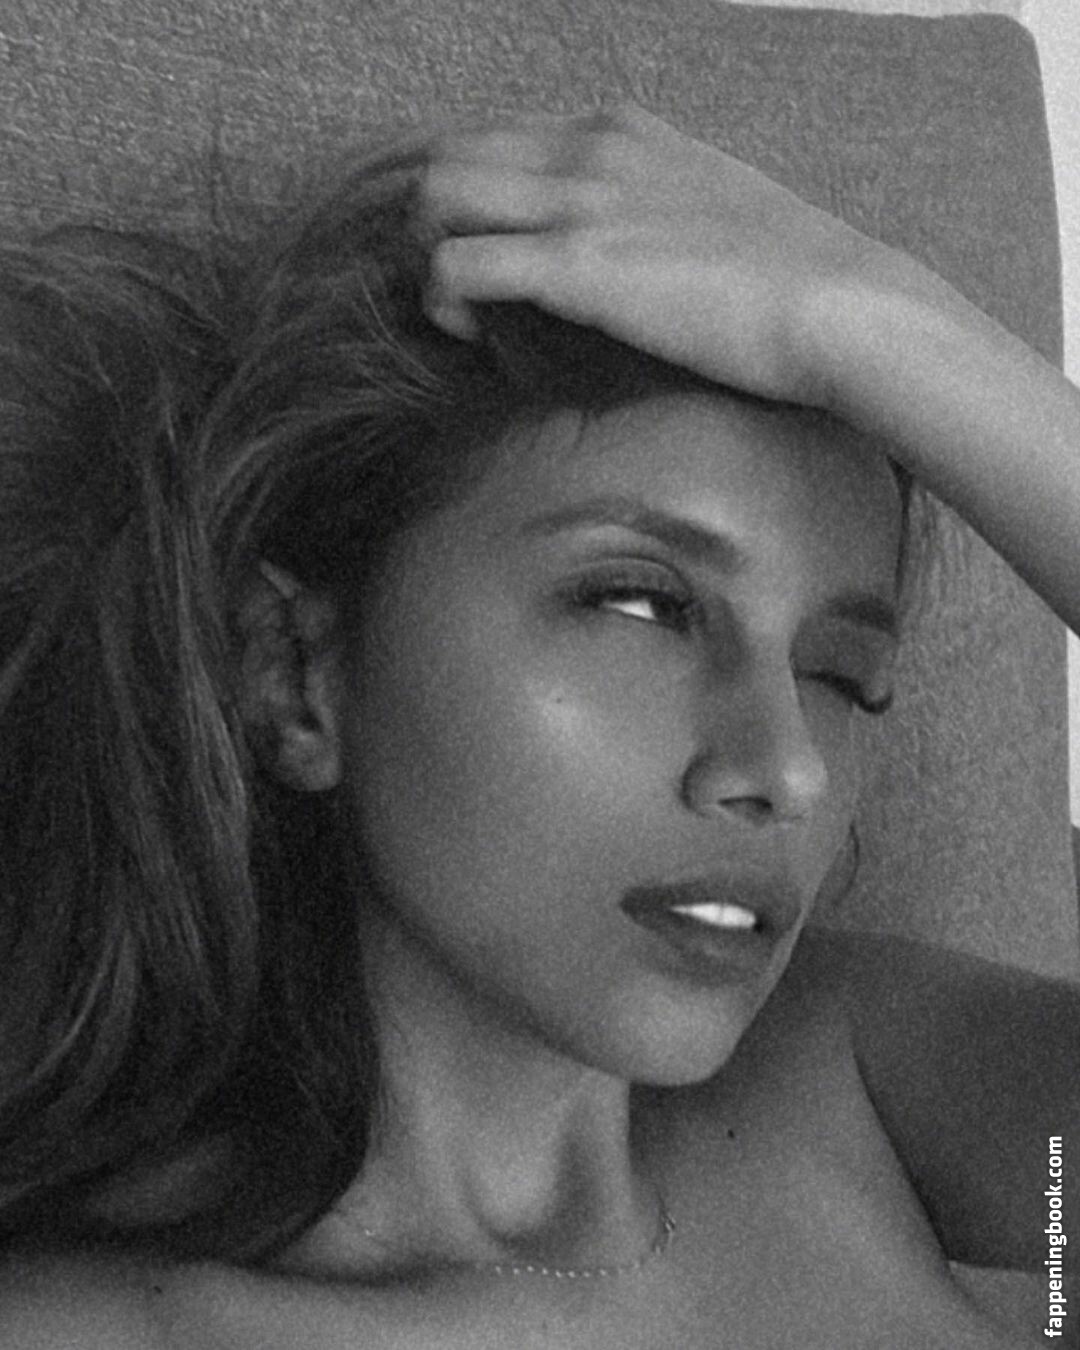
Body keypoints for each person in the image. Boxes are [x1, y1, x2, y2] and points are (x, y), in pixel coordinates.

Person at [0, 103, 1075, 1348]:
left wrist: (873, 321)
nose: (787, 767)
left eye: (844, 674)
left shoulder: (856, 1080)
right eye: (642, 604)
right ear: (294, 673)